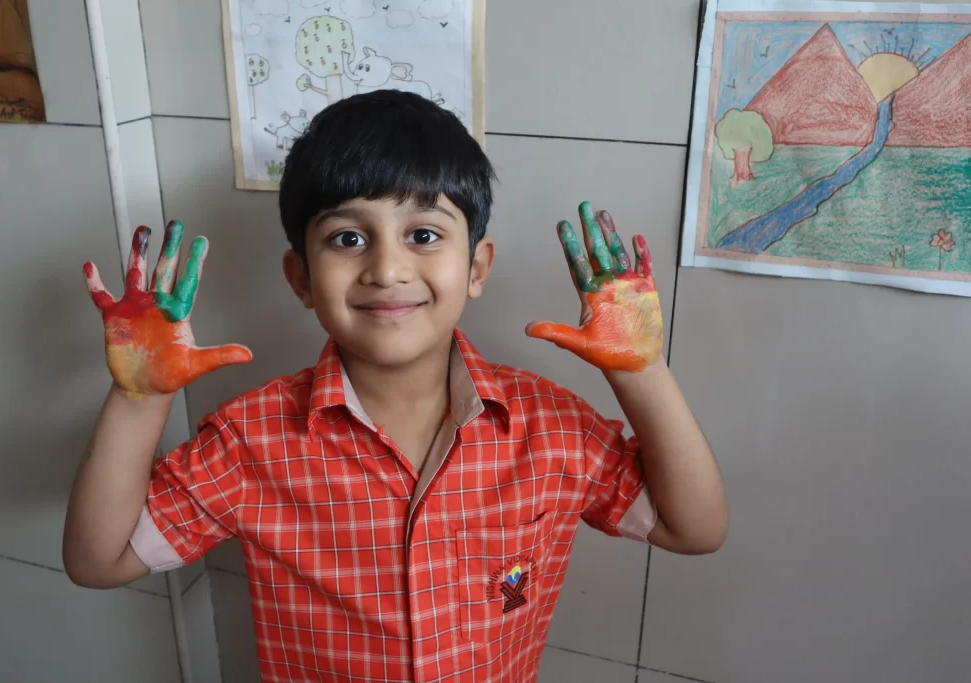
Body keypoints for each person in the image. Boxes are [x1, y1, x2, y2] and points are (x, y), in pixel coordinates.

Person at [63, 90, 727, 683]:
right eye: (348, 237)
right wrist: (139, 396)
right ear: (301, 278)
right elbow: (98, 560)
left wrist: (640, 372)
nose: (386, 267)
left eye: (424, 234)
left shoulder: (550, 426)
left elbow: (693, 527)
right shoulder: (250, 440)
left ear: (477, 266)